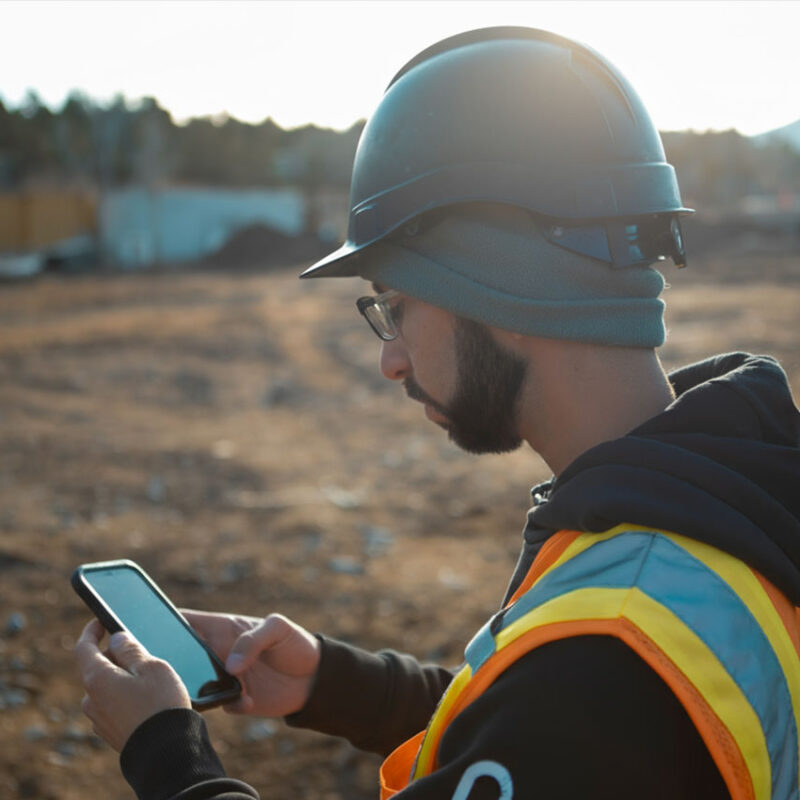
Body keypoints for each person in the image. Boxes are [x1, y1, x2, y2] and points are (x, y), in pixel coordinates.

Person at [74, 27, 800, 800]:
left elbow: (569, 721)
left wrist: (165, 754)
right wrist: (334, 683)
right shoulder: (713, 511)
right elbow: (540, 738)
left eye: (395, 306)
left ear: (510, 290)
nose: (390, 358)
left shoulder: (612, 648)